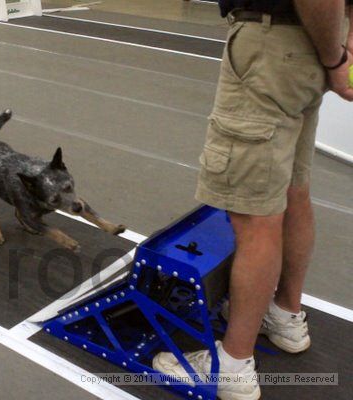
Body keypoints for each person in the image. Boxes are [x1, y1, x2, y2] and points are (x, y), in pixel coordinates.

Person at [152, 1, 353, 399]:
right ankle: (284, 314)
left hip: (272, 46)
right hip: (306, 48)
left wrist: (335, 59)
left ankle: (233, 364)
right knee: (293, 192)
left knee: (256, 216)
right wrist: (344, 49)